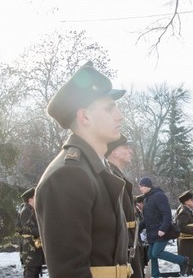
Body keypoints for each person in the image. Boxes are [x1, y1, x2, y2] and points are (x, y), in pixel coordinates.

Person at [35, 62, 130, 277]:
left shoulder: (96, 169)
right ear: (84, 117)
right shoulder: (68, 175)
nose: (119, 115)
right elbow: (69, 271)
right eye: (109, 108)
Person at [106, 134, 143, 278]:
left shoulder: (117, 176)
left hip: (129, 244)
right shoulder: (110, 177)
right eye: (126, 147)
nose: (130, 151)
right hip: (122, 247)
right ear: (114, 152)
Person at [138, 177, 188, 277]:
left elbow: (167, 214)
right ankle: (155, 275)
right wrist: (137, 228)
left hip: (161, 231)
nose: (140, 188)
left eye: (141, 186)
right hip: (152, 233)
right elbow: (147, 219)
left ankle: (182, 260)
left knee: (156, 253)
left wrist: (163, 229)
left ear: (148, 186)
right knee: (151, 254)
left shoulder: (159, 196)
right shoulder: (146, 198)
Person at [16, 187, 44, 278]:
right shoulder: (26, 211)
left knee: (35, 271)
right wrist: (43, 231)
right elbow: (28, 228)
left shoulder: (30, 209)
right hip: (29, 248)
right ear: (30, 199)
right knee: (31, 272)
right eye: (35, 197)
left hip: (34, 246)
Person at [176, 190, 193, 275]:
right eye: (192, 200)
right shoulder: (184, 212)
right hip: (187, 245)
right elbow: (181, 227)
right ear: (187, 202)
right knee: (186, 268)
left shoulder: (188, 210)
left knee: (189, 267)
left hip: (190, 244)